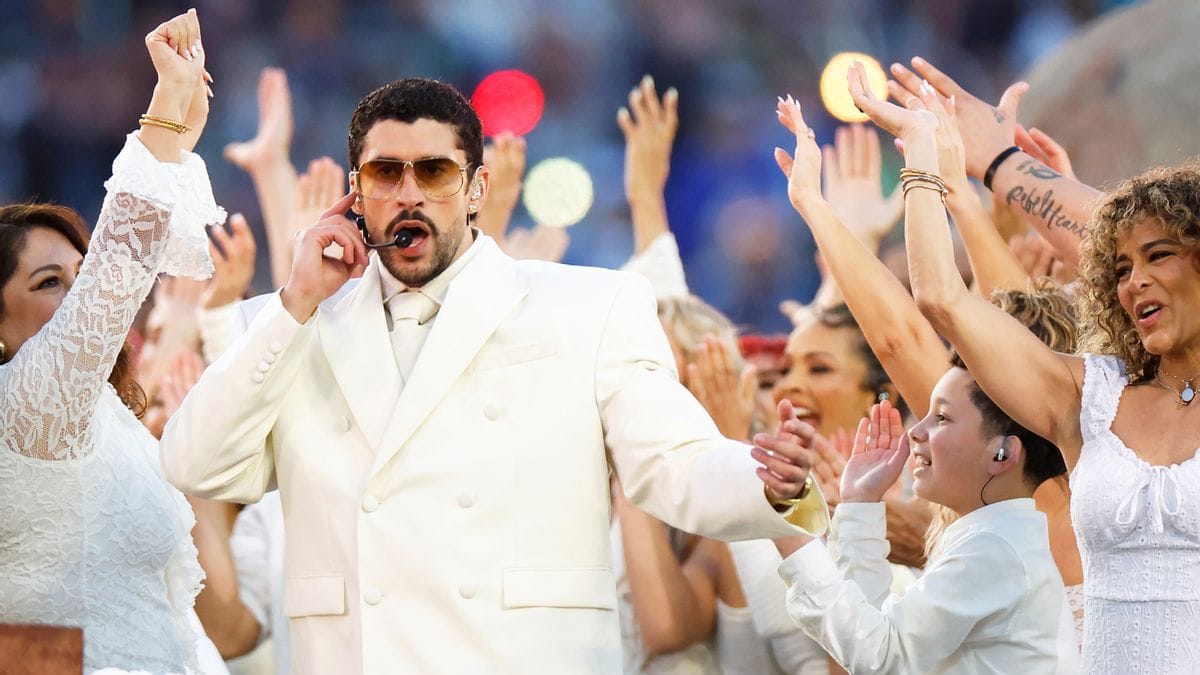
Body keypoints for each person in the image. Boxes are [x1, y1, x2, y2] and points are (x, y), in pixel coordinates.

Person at [160, 76, 825, 674]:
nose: (410, 192)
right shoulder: (292, 323)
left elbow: (673, 462)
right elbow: (194, 463)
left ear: (476, 188)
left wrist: (764, 481)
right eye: (386, 173)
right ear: (355, 192)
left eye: (435, 171)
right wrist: (297, 301)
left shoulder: (591, 305)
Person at [850, 59, 1200, 673]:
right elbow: (941, 300)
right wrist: (927, 160)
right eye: (1118, 271)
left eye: (1159, 256)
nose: (1134, 281)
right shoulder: (1087, 396)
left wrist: (1006, 166)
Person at [0, 9, 226, 673]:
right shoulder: (22, 405)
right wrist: (163, 118)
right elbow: (115, 277)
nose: (78, 295)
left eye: (79, 272)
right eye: (49, 281)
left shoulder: (109, 421)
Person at [777, 384, 1066, 673]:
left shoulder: (995, 550)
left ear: (1001, 453)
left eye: (941, 417)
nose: (915, 431)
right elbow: (876, 632)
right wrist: (859, 503)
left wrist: (787, 526)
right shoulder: (995, 538)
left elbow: (883, 658)